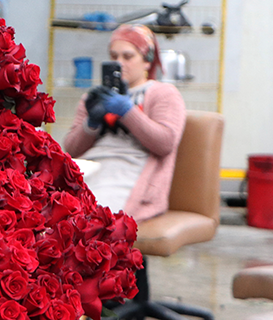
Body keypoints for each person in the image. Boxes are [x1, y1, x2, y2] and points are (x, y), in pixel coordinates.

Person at [63, 24, 186, 222]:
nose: (119, 63)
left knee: (93, 217)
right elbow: (71, 150)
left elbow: (165, 143)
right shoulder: (94, 98)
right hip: (90, 170)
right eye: (114, 57)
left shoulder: (163, 93)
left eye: (128, 57)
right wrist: (91, 123)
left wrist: (128, 112)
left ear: (147, 61)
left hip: (130, 174)